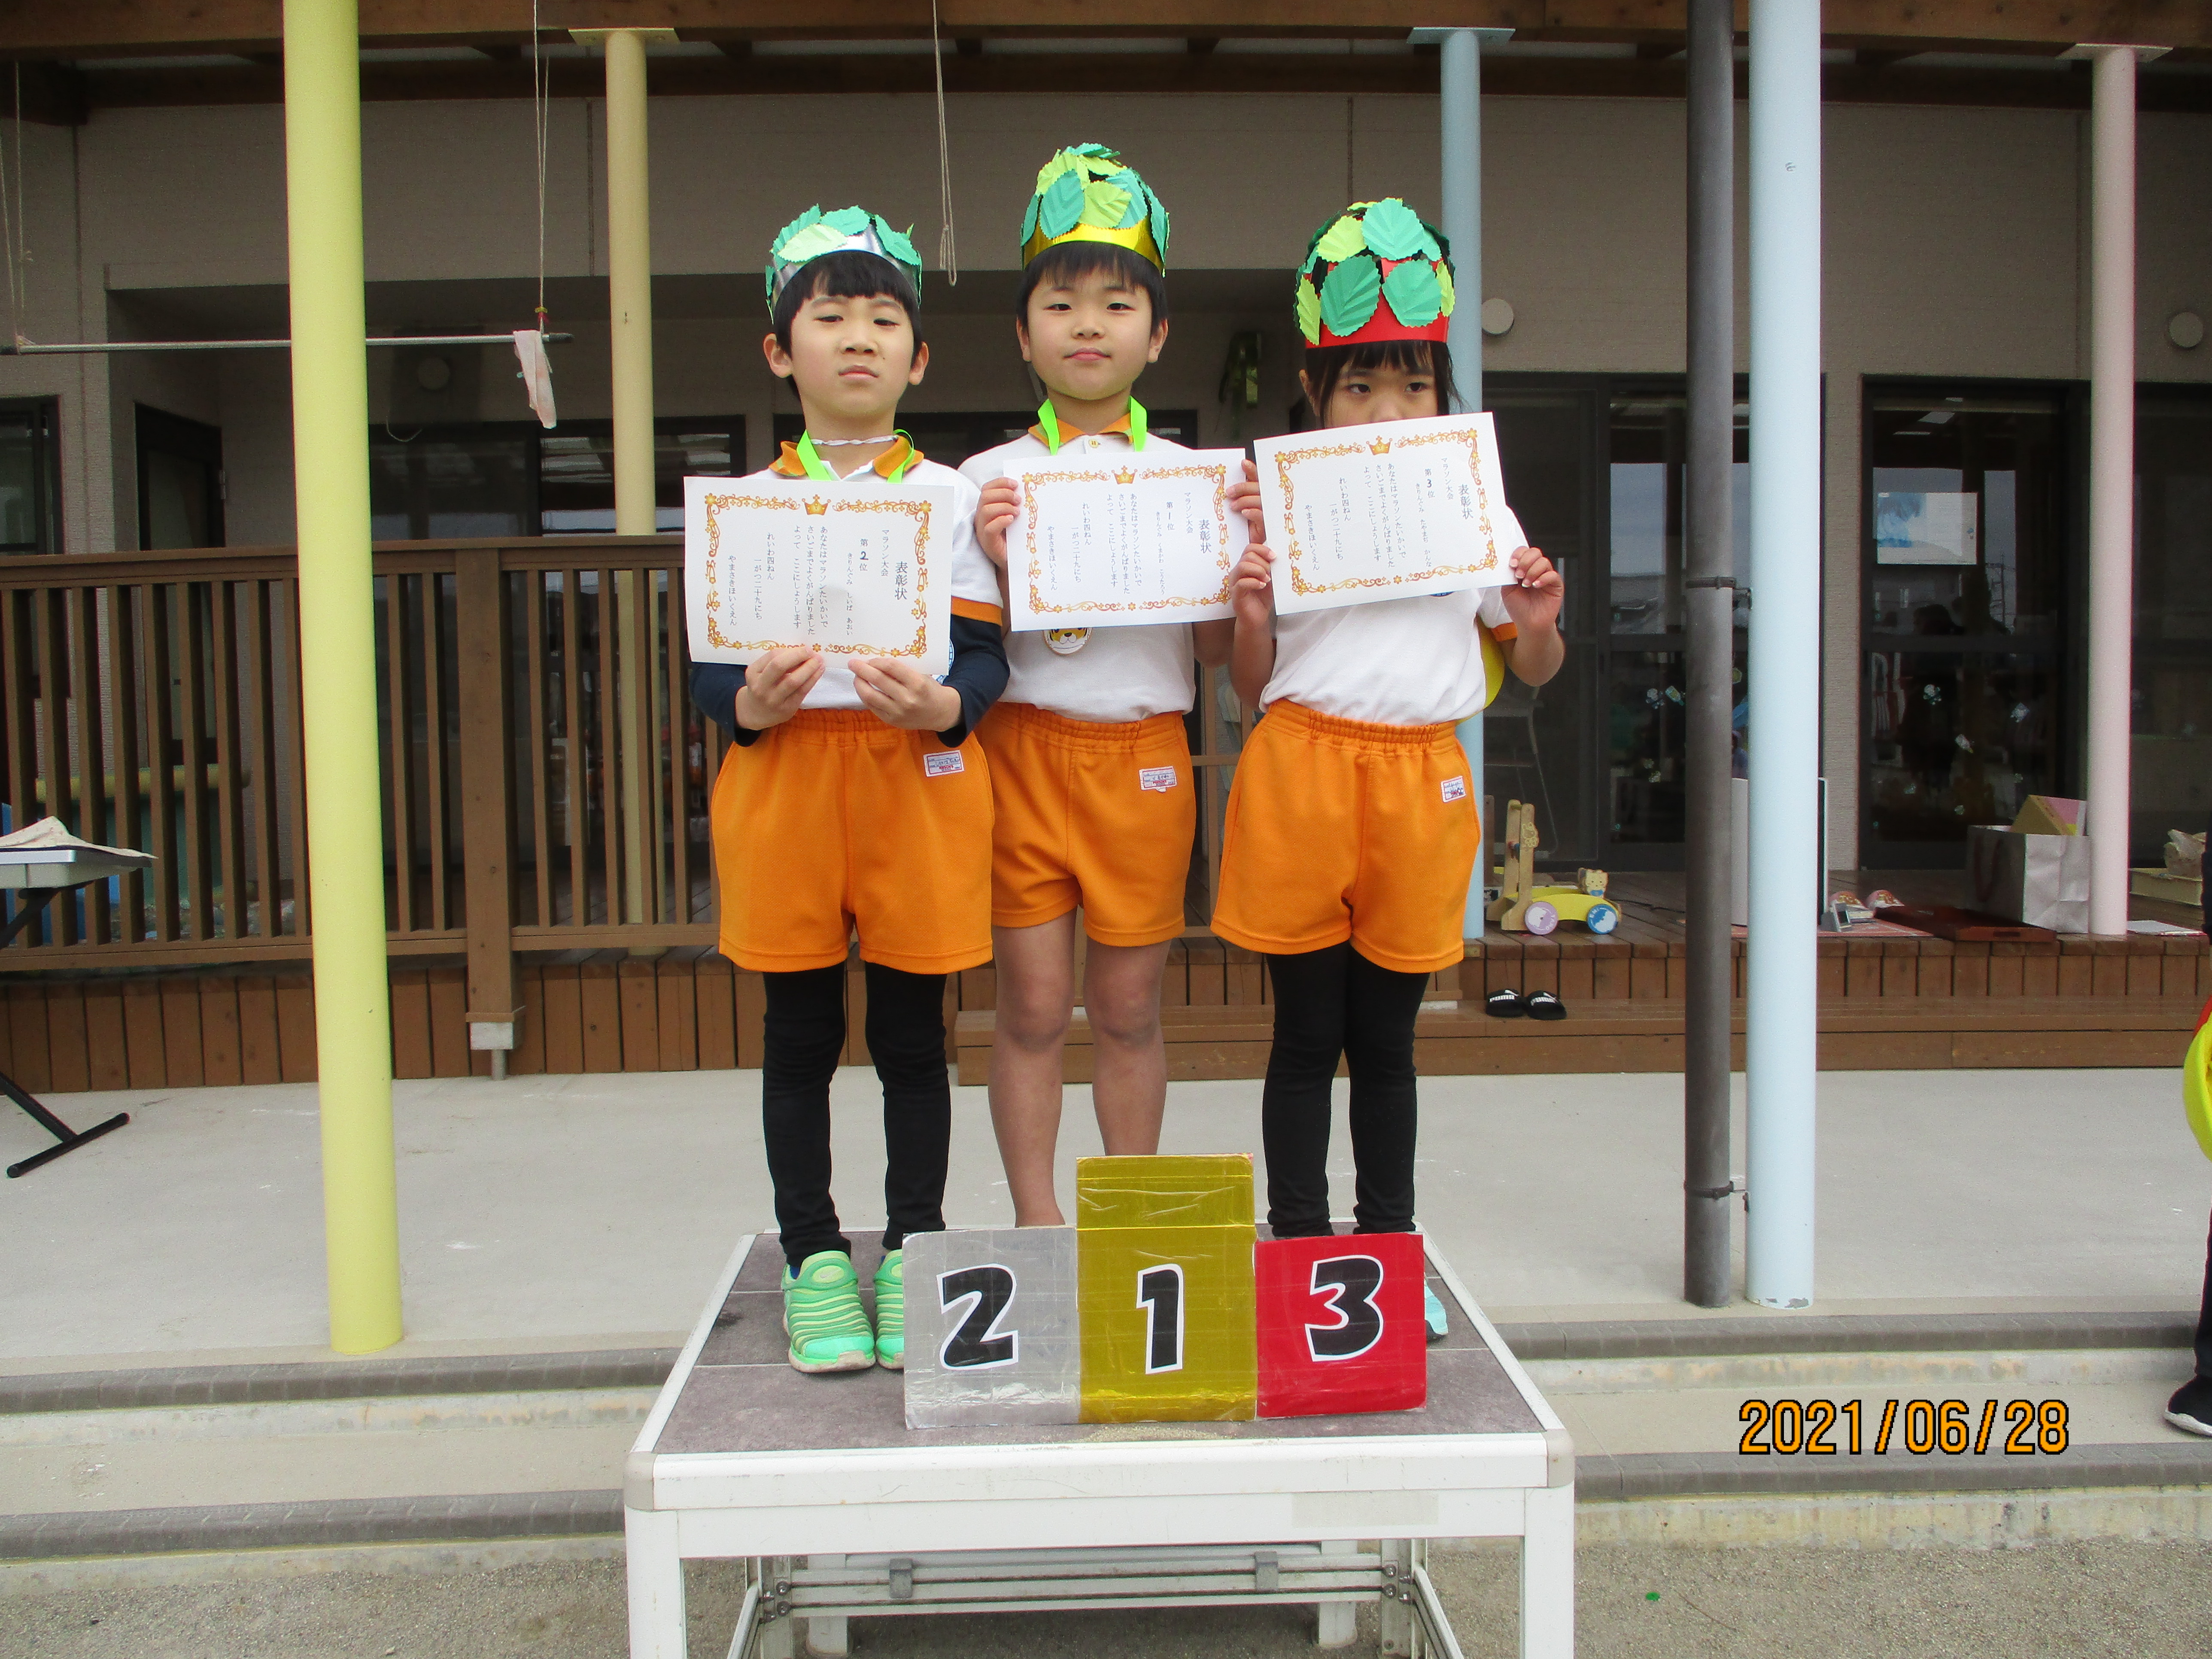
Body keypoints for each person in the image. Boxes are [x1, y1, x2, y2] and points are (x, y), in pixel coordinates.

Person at [690, 207, 1007, 1375]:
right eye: (829, 318)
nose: (858, 338)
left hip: (913, 776)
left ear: (919, 358)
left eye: (883, 319)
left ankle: (915, 1246)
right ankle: (814, 1254)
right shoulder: (741, 505)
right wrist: (747, 704)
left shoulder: (954, 500)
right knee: (799, 1034)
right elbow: (707, 675)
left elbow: (986, 658)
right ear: (781, 352)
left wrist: (947, 708)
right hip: (784, 778)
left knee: (917, 1036)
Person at [1215, 196, 1565, 1255]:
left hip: (1422, 776)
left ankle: (1384, 1248)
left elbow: (1532, 667)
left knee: (1387, 1041)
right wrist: (1249, 613)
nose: (1387, 409)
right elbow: (1249, 687)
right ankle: (1299, 1249)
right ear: (1314, 391)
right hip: (1299, 767)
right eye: (1358, 385)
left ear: (1440, 396)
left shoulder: (1475, 504)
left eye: (1413, 385)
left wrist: (1537, 622)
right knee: (1303, 1035)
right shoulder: (1269, 500)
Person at [963, 144, 1232, 1225]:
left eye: (1117, 305)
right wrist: (990, 564)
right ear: (1022, 333)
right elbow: (958, 651)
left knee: (1126, 1009)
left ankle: (1128, 1227)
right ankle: (1037, 1227)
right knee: (1029, 1009)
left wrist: (1241, 562)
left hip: (1144, 759)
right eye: (1060, 304)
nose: (1088, 325)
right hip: (1018, 752)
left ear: (1156, 335)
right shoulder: (981, 482)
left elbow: (1214, 651)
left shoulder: (1194, 477)